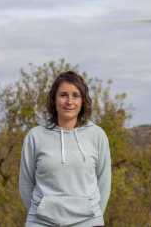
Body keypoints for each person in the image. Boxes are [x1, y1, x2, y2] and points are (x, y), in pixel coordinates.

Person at [19, 71, 111, 227]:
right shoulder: (35, 136)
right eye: (63, 95)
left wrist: (94, 217)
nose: (69, 101)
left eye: (75, 95)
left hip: (88, 222)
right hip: (42, 223)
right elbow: (26, 184)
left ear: (83, 101)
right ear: (54, 100)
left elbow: (104, 182)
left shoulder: (97, 135)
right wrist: (41, 213)